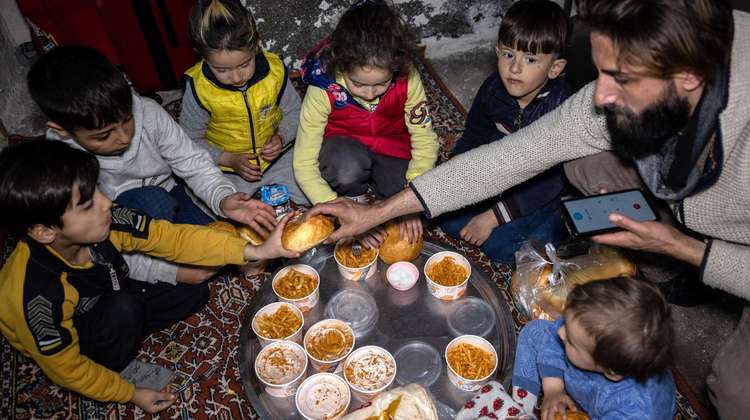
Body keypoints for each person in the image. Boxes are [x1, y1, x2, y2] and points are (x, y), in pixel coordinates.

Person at [311, 1, 749, 417]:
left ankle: (668, 264)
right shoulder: (638, 72)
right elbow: (514, 155)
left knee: (735, 393)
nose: (599, 96)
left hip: (726, 243)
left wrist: (690, 251)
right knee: (583, 159)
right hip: (688, 199)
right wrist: (384, 210)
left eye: (621, 78)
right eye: (599, 71)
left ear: (688, 77)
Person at [0, 140, 298, 414]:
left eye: (99, 189)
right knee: (123, 307)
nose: (107, 203)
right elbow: (66, 369)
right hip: (82, 330)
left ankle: (128, 321)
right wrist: (130, 393)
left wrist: (254, 250)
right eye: (89, 203)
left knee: (193, 293)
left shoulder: (108, 219)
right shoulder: (35, 298)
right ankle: (115, 362)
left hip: (112, 286)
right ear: (44, 231)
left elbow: (172, 239)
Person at [27, 45, 278, 285]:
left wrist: (223, 198)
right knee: (157, 206)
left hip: (172, 192)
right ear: (63, 131)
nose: (124, 137)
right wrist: (172, 271)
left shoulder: (146, 112)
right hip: (118, 220)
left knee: (228, 226)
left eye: (127, 120)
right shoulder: (60, 164)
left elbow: (192, 162)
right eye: (104, 135)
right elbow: (90, 239)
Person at [293, 0, 439, 242]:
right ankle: (354, 196)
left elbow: (424, 139)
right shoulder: (323, 88)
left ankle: (386, 192)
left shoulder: (407, 77)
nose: (370, 94)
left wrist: (411, 200)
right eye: (358, 84)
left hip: (393, 147)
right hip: (344, 150)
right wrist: (340, 212)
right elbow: (303, 164)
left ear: (396, 66)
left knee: (423, 209)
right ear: (341, 62)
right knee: (345, 168)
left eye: (381, 84)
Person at [437, 0, 570, 263]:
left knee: (501, 248)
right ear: (497, 52)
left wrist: (492, 217)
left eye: (530, 59)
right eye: (509, 54)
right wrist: (455, 168)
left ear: (555, 68)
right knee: (444, 217)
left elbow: (551, 180)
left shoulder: (561, 110)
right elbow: (475, 133)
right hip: (501, 167)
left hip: (540, 185)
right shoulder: (493, 88)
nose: (515, 68)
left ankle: (557, 225)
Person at [458, 277, 676, 420]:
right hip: (578, 377)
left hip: (599, 408)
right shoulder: (582, 332)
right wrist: (554, 390)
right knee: (536, 331)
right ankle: (523, 403)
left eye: (571, 340)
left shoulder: (634, 409)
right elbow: (555, 337)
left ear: (611, 371)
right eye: (567, 325)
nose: (561, 333)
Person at [181, 0, 308, 205]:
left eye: (244, 64)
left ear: (255, 46)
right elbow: (188, 140)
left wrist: (281, 137)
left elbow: (294, 111)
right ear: (202, 56)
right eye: (222, 70)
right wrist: (227, 158)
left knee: (310, 188)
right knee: (225, 205)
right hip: (229, 169)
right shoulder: (198, 89)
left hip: (278, 159)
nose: (236, 76)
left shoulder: (274, 72)